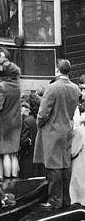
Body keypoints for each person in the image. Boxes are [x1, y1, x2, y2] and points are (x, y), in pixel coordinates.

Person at [34, 59, 81, 209]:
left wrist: (40, 124)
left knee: (53, 167)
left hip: (52, 131)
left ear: (57, 70)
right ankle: (66, 199)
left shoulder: (52, 88)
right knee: (65, 165)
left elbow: (42, 113)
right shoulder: (75, 89)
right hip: (67, 130)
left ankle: (54, 201)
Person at [0, 62, 22, 180]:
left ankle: (8, 180)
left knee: (5, 154)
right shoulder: (17, 86)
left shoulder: (1, 87)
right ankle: (15, 178)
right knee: (13, 153)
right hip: (16, 122)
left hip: (3, 124)